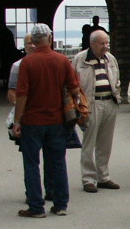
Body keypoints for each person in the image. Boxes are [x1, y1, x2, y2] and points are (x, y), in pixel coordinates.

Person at [11, 23, 79, 218]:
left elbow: (21, 94)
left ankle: (36, 206)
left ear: (33, 41)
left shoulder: (28, 63)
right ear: (50, 38)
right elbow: (74, 88)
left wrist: (17, 121)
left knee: (32, 164)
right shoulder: (62, 60)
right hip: (57, 120)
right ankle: (60, 204)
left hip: (32, 121)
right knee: (58, 162)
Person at [73, 29, 121, 193]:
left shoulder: (111, 58)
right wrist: (78, 104)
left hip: (109, 102)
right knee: (89, 142)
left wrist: (117, 93)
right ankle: (88, 179)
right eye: (102, 43)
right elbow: (73, 83)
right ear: (92, 44)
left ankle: (103, 177)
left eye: (107, 42)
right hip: (91, 105)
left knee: (105, 143)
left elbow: (117, 78)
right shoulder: (80, 59)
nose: (106, 46)